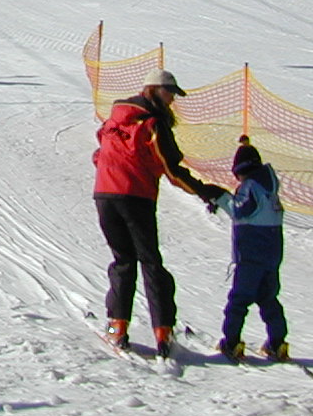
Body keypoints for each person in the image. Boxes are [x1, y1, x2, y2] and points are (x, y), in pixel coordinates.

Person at [92, 70, 224, 358]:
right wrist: (204, 191)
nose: (172, 100)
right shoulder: (153, 123)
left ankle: (118, 326)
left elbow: (99, 152)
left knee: (124, 261)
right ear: (154, 91)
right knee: (151, 262)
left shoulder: (115, 118)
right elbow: (172, 168)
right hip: (135, 196)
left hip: (105, 195)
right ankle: (163, 331)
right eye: (169, 93)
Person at [213, 136, 289, 363]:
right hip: (272, 253)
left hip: (250, 254)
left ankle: (232, 341)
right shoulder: (270, 188)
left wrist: (222, 198)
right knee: (269, 298)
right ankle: (278, 343)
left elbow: (240, 211)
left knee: (239, 298)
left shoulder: (250, 187)